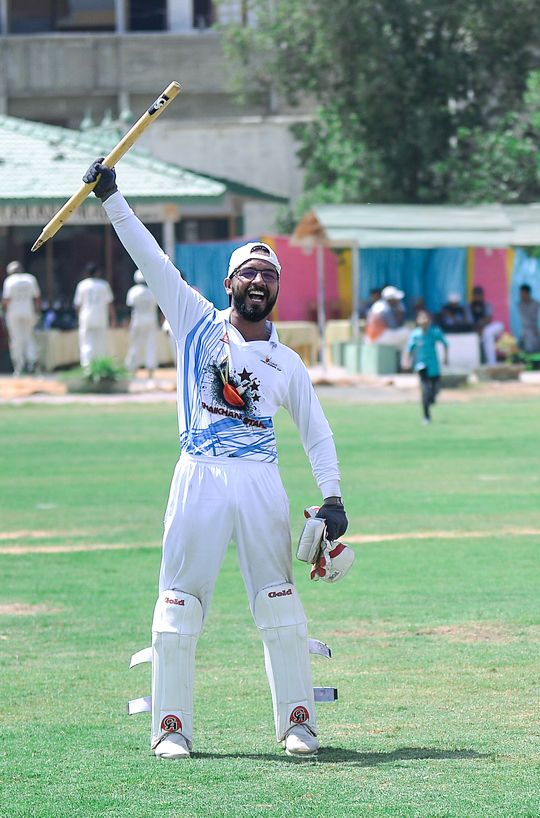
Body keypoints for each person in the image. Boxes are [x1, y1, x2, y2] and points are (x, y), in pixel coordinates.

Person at [83, 158, 349, 760]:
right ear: (229, 283)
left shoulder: (288, 363)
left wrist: (333, 497)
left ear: (277, 289)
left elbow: (317, 434)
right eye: (248, 273)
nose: (259, 281)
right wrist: (112, 197)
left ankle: (298, 724)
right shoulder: (194, 321)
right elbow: (151, 258)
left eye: (269, 275)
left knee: (280, 604)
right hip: (198, 474)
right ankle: (170, 727)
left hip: (260, 481)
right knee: (179, 605)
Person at [406, 309, 448, 425]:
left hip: (434, 365)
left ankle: (432, 398)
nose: (424, 321)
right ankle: (426, 416)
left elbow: (445, 343)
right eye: (421, 318)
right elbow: (409, 348)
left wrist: (446, 358)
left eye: (426, 318)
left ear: (430, 320)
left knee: (435, 389)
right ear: (417, 321)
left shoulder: (435, 332)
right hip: (421, 365)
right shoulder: (415, 334)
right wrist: (406, 361)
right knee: (425, 391)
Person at [73, 261, 115, 367]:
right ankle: (100, 366)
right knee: (100, 343)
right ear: (98, 273)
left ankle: (87, 367)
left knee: (86, 343)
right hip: (101, 316)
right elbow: (109, 303)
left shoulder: (82, 285)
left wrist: (78, 318)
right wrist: (113, 318)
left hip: (86, 317)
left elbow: (77, 305)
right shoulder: (104, 285)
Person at [2, 261, 41, 375]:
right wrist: (37, 312)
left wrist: (3, 310)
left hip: (13, 313)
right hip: (28, 311)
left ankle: (19, 366)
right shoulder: (30, 278)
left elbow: (7, 299)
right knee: (29, 337)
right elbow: (37, 298)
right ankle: (32, 362)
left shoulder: (9, 281)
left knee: (16, 339)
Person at [125, 270, 160, 377]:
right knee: (151, 344)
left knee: (135, 344)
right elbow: (158, 308)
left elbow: (129, 308)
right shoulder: (153, 291)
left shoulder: (132, 291)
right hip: (151, 320)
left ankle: (132, 368)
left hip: (137, 320)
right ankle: (150, 369)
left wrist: (127, 321)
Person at [366, 285, 412, 354]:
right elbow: (393, 326)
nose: (398, 301)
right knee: (408, 333)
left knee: (402, 340)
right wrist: (399, 313)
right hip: (378, 337)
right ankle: (405, 360)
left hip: (373, 337)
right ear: (390, 299)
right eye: (396, 299)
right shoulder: (385, 309)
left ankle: (400, 359)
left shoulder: (379, 305)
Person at [469, 285, 504, 365]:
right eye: (476, 295)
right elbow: (470, 322)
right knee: (487, 334)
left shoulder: (486, 305)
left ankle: (491, 362)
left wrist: (481, 325)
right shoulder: (469, 307)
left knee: (498, 326)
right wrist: (478, 328)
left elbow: (488, 319)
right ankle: (491, 362)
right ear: (473, 296)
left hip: (486, 328)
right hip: (476, 331)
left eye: (479, 295)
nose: (478, 297)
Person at [516, 284, 540, 354]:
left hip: (534, 330)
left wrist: (535, 329)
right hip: (524, 332)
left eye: (522, 293)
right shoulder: (520, 305)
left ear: (527, 293)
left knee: (536, 351)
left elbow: (534, 319)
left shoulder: (536, 304)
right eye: (520, 293)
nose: (520, 295)